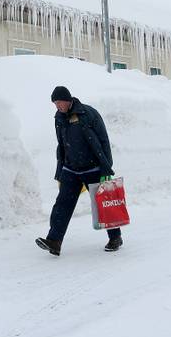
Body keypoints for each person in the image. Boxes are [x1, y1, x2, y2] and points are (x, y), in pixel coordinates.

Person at [36, 86, 122, 256]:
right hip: (70, 169)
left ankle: (115, 237)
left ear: (67, 100)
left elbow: (103, 140)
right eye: (55, 103)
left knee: (103, 203)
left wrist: (106, 167)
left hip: (93, 168)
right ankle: (54, 241)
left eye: (59, 102)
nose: (57, 106)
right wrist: (60, 171)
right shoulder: (59, 118)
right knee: (62, 205)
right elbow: (61, 145)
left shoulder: (88, 113)